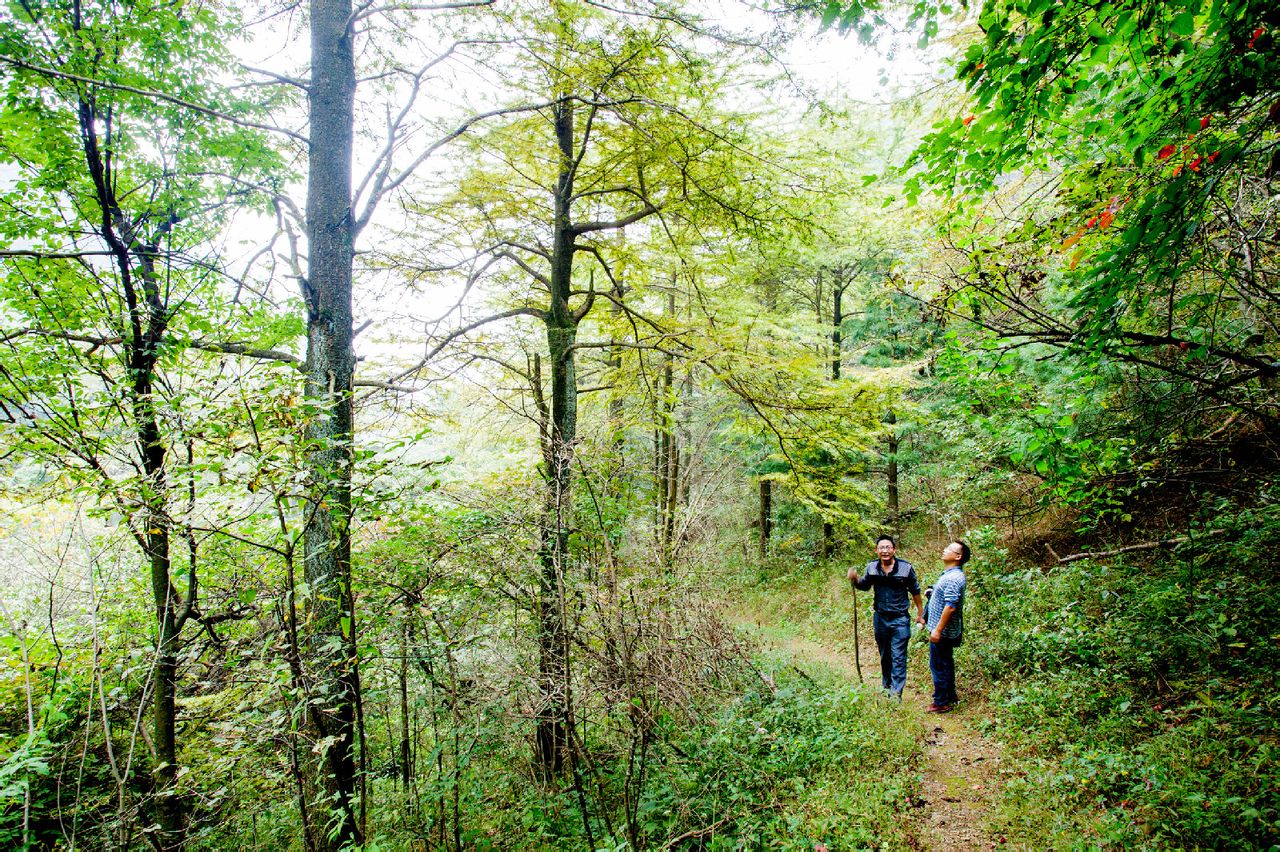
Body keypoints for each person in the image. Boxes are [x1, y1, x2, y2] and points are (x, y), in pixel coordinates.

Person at [848, 535, 924, 698]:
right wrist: (855, 580)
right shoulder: (872, 568)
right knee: (885, 656)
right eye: (881, 547)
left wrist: (920, 613)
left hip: (900, 619)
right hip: (881, 618)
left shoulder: (906, 568)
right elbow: (865, 586)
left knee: (898, 656)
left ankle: (895, 694)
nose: (885, 550)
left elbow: (915, 590)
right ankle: (886, 687)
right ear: (876, 551)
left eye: (888, 547)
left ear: (894, 550)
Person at [925, 540, 970, 713]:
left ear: (958, 556)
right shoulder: (950, 574)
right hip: (944, 630)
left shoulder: (953, 577)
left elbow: (950, 606)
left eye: (949, 549)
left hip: (943, 631)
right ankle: (949, 695)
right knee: (946, 662)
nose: (944, 550)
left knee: (939, 665)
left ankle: (941, 702)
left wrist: (937, 630)